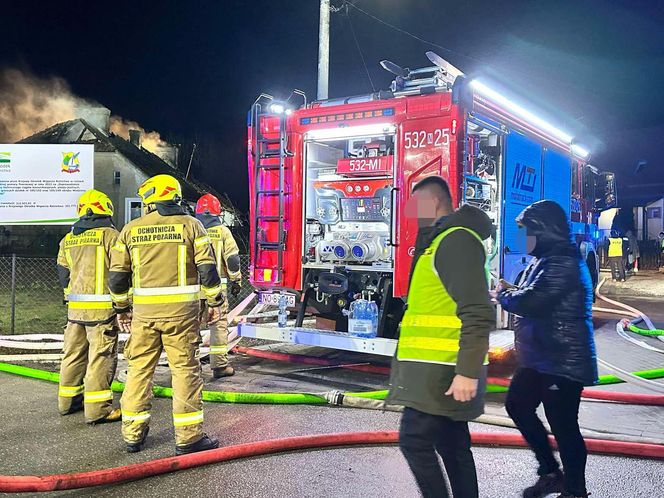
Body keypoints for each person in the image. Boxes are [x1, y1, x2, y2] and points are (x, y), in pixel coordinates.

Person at [387, 176, 494, 498]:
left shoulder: (455, 241)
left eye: (415, 205)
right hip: (436, 368)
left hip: (443, 371)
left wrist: (467, 372)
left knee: (414, 441)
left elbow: (478, 311)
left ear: (434, 203)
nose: (410, 213)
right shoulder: (440, 241)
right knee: (452, 445)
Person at [109, 174, 225, 455]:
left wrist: (122, 308)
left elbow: (116, 278)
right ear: (174, 195)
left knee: (138, 371)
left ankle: (133, 436)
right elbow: (208, 270)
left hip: (144, 316)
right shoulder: (191, 225)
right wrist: (215, 301)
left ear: (149, 200)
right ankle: (188, 438)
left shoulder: (130, 230)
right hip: (181, 316)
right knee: (185, 372)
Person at [497, 200, 598, 498]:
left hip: (562, 362)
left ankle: (575, 491)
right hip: (541, 358)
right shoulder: (547, 259)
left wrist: (505, 296)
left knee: (564, 426)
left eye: (527, 231)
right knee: (517, 405)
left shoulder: (562, 261)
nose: (522, 238)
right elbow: (531, 294)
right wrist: (511, 292)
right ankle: (551, 472)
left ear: (544, 231)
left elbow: (534, 302)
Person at [56, 189, 121, 424]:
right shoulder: (111, 237)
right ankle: (98, 410)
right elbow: (119, 273)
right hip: (102, 312)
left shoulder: (68, 239)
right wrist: (123, 303)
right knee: (100, 358)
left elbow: (63, 274)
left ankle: (67, 402)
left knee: (72, 355)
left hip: (75, 311)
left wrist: (70, 297)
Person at [195, 193, 243, 378]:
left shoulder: (191, 229)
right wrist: (236, 280)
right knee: (218, 326)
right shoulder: (223, 232)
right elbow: (232, 259)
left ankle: (191, 366)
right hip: (216, 290)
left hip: (193, 291)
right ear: (217, 212)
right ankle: (220, 366)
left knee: (191, 329)